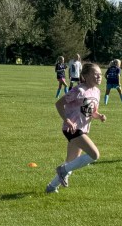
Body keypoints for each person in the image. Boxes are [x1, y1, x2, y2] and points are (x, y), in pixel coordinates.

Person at [45, 61, 107, 193]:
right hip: (72, 129)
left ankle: (52, 187)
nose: (99, 77)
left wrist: (99, 116)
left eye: (100, 74)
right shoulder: (78, 90)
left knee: (71, 162)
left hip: (83, 129)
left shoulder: (97, 91)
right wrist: (67, 120)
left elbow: (91, 112)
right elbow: (59, 104)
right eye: (96, 74)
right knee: (94, 154)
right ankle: (62, 170)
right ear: (86, 75)